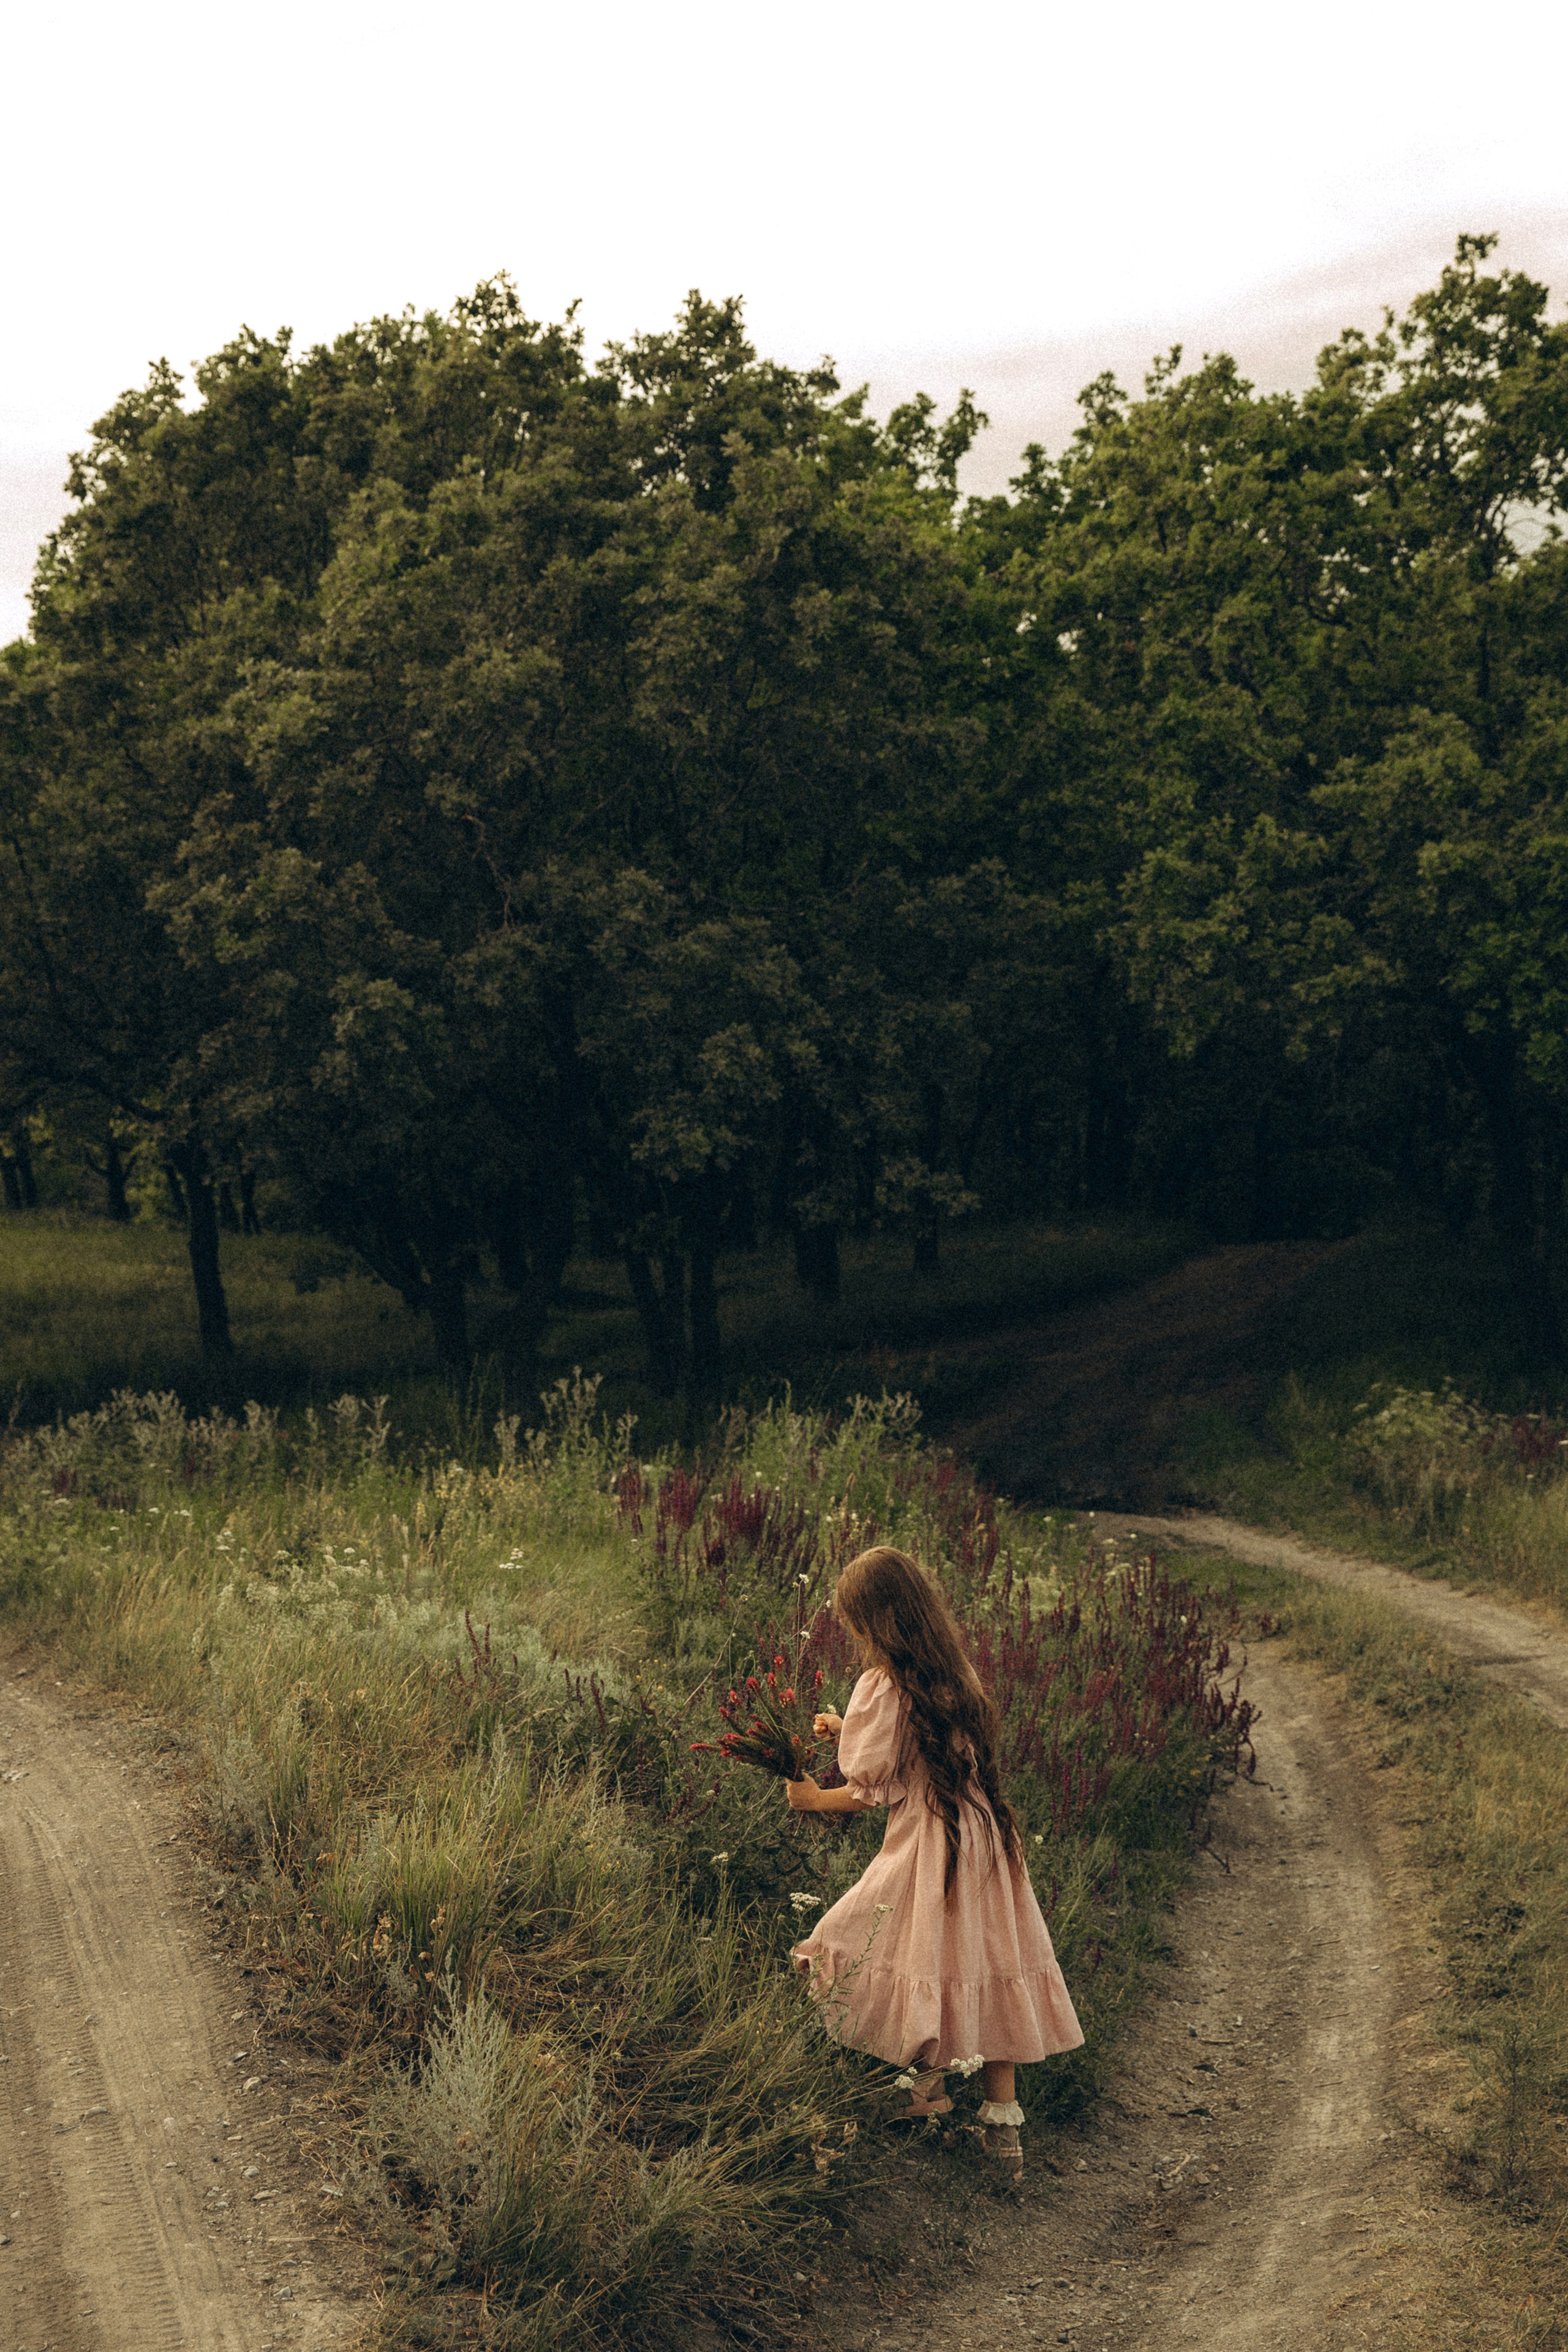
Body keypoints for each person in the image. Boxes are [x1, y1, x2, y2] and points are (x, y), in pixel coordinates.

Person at [786, 1544, 1082, 2180]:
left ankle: (924, 2092)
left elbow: (871, 1788)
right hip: (984, 1835)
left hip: (932, 1839)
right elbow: (918, 1746)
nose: (856, 1638)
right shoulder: (953, 1674)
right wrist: (845, 1728)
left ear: (876, 1623)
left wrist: (813, 1796)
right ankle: (997, 2134)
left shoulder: (885, 1684)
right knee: (983, 1962)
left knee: (847, 1939)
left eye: (857, 1626)